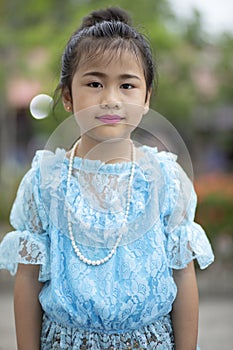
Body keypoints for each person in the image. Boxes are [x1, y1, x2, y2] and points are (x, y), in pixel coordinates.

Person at [0, 7, 214, 350]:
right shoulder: (45, 183)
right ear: (68, 97)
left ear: (146, 100)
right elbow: (27, 282)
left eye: (127, 85)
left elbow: (183, 275)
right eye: (95, 83)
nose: (111, 99)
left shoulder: (165, 180)